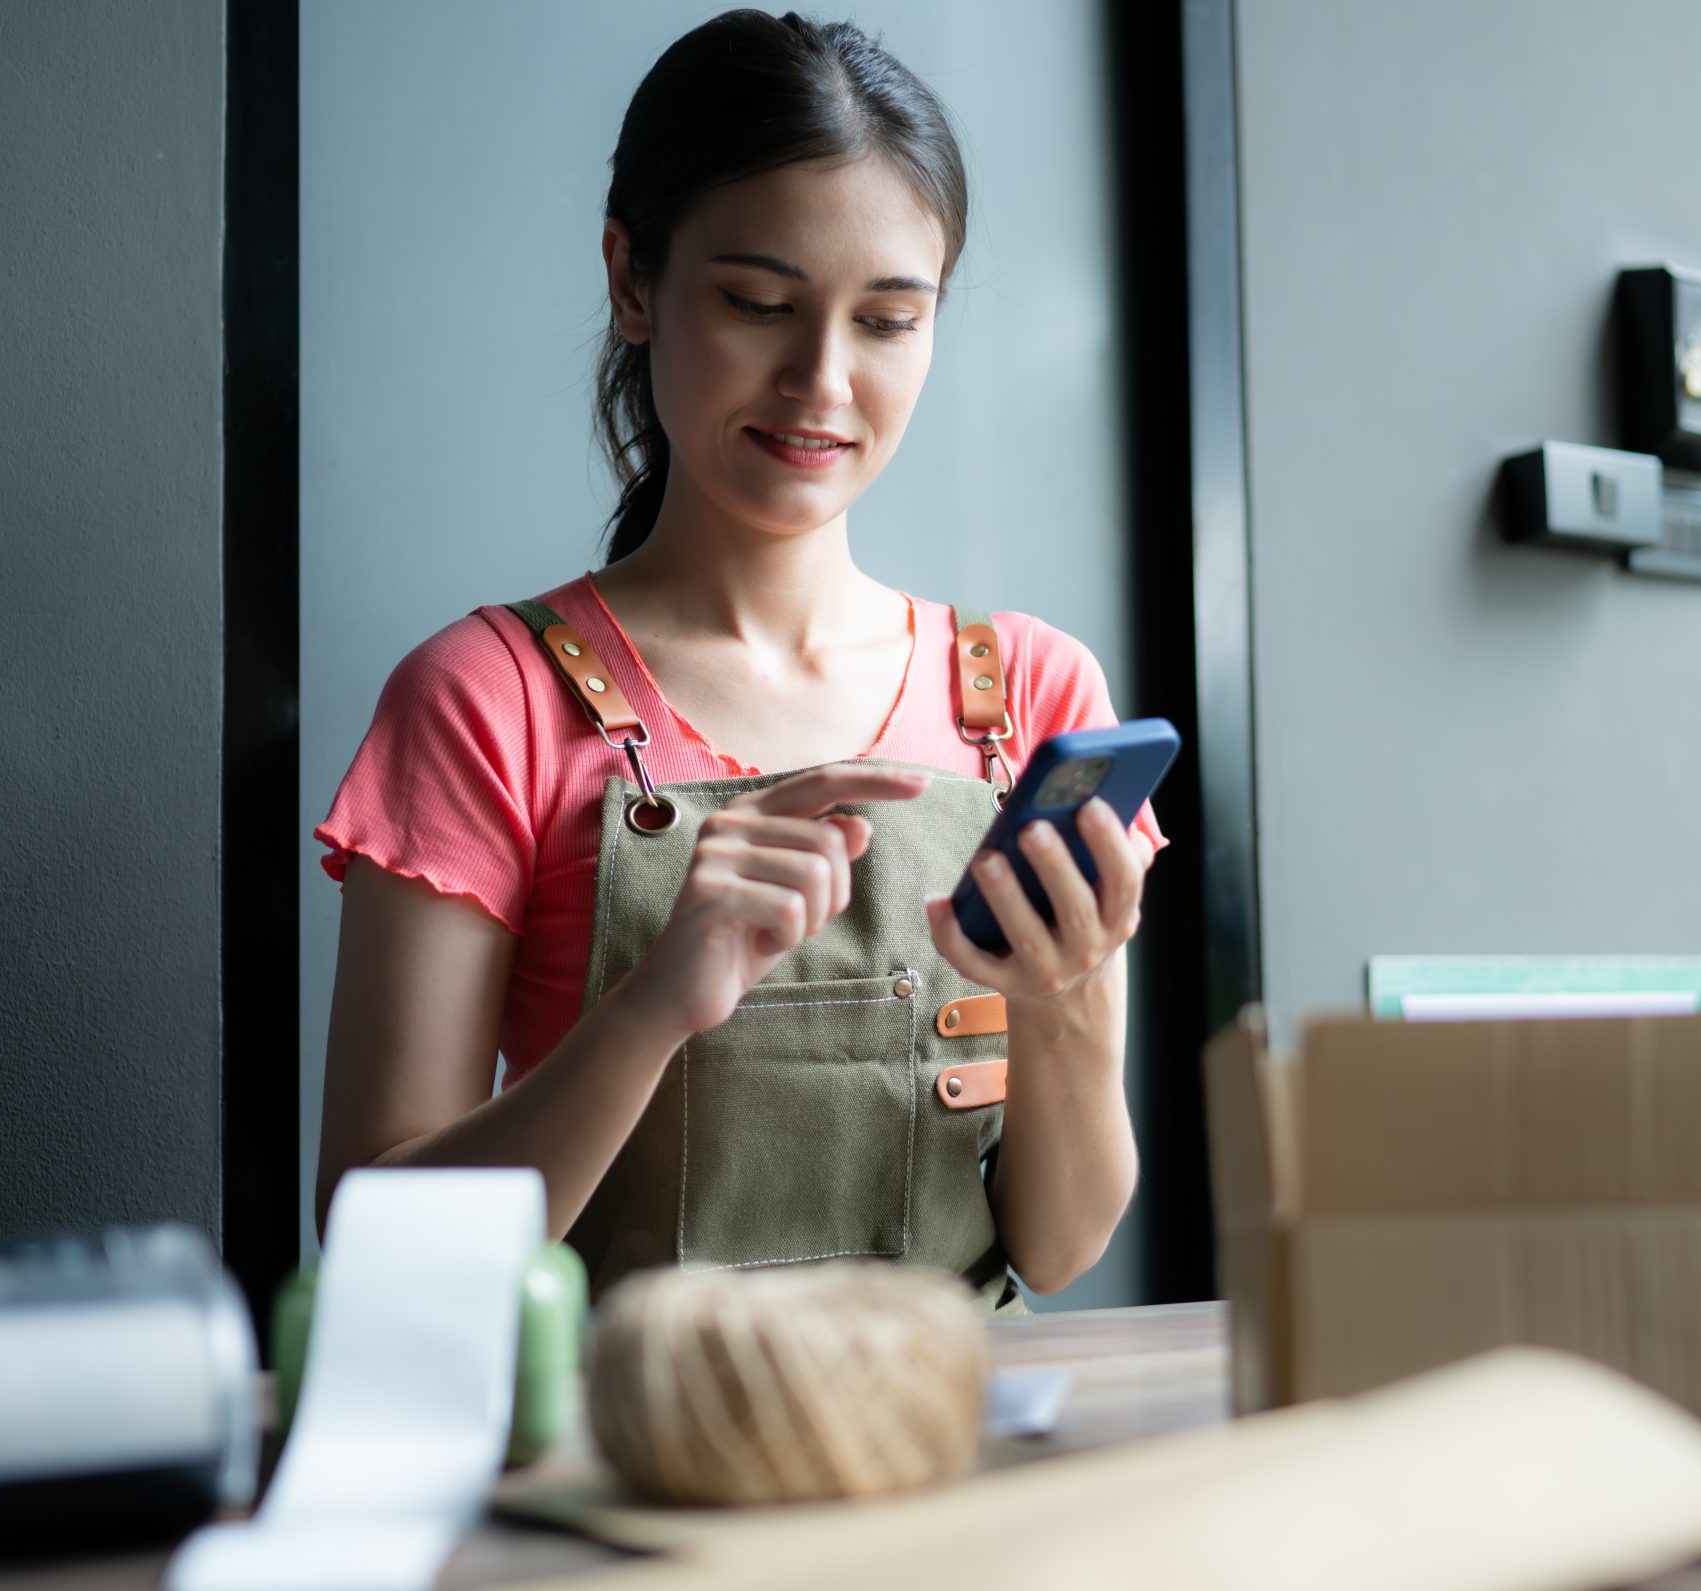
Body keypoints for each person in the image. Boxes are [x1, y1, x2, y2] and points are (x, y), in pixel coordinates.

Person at [311, 9, 1167, 1314]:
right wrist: (655, 1004)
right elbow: (382, 1258)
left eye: (888, 321)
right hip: (617, 1488)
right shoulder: (486, 700)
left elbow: (1055, 1249)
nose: (821, 380)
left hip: (933, 1463)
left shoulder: (1031, 705)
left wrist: (1071, 1000)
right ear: (632, 280)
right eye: (760, 304)